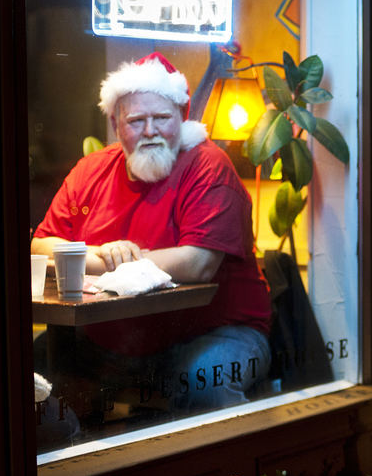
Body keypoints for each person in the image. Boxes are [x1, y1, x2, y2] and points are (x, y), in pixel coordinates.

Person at [32, 52, 271, 419]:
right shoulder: (91, 170)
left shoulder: (207, 165)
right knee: (29, 366)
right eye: (136, 120)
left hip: (218, 332)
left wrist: (112, 261)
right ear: (115, 124)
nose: (150, 131)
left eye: (161, 118)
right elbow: (41, 244)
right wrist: (104, 252)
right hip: (113, 341)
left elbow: (197, 263)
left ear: (182, 116)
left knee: (203, 381)